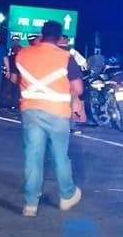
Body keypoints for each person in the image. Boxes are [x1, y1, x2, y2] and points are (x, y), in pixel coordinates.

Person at [16, 21, 83, 217]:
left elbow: (16, 79)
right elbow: (78, 88)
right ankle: (67, 195)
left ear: (42, 34)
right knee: (60, 155)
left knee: (33, 156)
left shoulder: (23, 54)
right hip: (57, 113)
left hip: (31, 111)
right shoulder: (65, 57)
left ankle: (30, 204)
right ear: (60, 37)